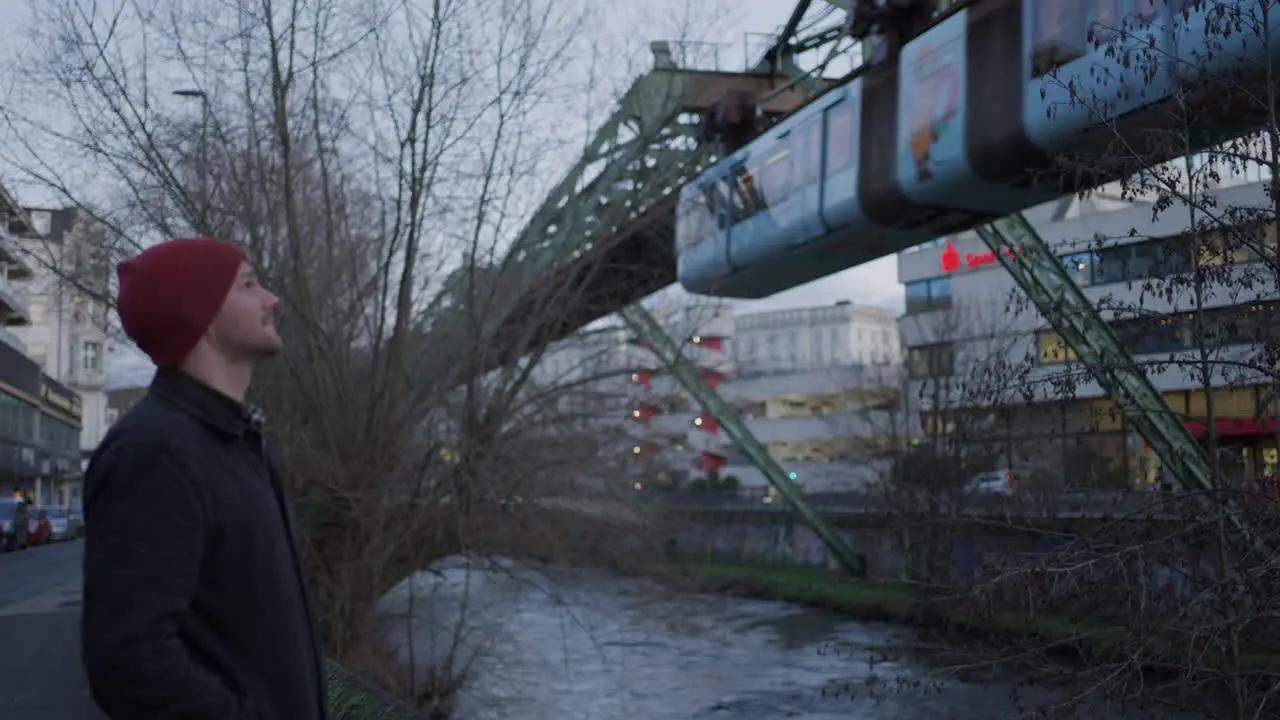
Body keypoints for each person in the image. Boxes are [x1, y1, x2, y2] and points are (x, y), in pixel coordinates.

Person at [81, 237, 327, 720]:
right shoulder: (155, 454)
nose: (271, 299)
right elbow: (130, 663)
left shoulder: (239, 444)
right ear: (203, 313)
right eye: (249, 285)